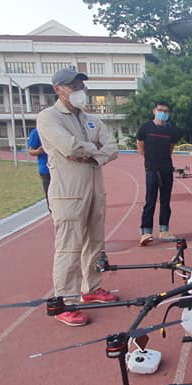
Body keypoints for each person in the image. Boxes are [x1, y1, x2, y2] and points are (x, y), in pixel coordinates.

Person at [36, 67, 120, 327]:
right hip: (68, 194)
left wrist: (88, 152)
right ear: (57, 89)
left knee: (95, 243)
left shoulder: (90, 119)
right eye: (73, 86)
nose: (79, 90)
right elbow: (67, 147)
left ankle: (91, 288)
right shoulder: (48, 118)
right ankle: (65, 301)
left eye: (81, 85)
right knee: (69, 248)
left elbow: (112, 148)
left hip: (94, 189)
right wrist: (93, 150)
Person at [136, 100, 179, 245]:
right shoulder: (145, 128)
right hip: (152, 169)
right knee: (150, 201)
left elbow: (170, 149)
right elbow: (140, 147)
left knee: (166, 201)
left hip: (166, 168)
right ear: (154, 111)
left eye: (166, 111)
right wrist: (150, 161)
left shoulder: (171, 130)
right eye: (160, 110)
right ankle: (146, 232)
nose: (163, 113)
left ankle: (164, 230)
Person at [26, 127, 50, 212]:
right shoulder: (37, 132)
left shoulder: (59, 128)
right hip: (47, 170)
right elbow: (30, 151)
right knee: (51, 197)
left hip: (62, 170)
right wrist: (40, 151)